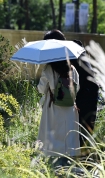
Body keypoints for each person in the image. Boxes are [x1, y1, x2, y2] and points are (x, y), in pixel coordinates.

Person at [37, 30, 80, 166]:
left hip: (52, 107)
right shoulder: (72, 68)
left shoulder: (49, 69)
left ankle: (53, 168)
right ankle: (67, 166)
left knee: (52, 138)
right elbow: (76, 89)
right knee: (68, 138)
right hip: (69, 108)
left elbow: (41, 89)